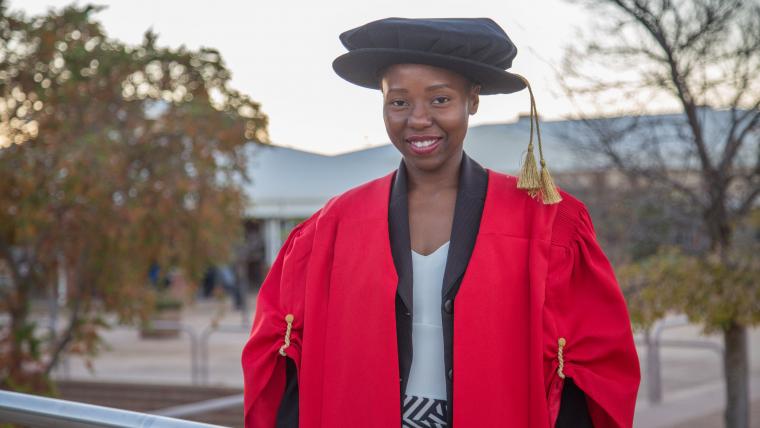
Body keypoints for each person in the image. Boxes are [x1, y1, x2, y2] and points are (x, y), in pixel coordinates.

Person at [241, 17, 640, 428]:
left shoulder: (547, 223)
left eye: (440, 100)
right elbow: (285, 363)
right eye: (398, 102)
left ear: (473, 99)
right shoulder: (331, 228)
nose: (417, 119)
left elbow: (588, 367)